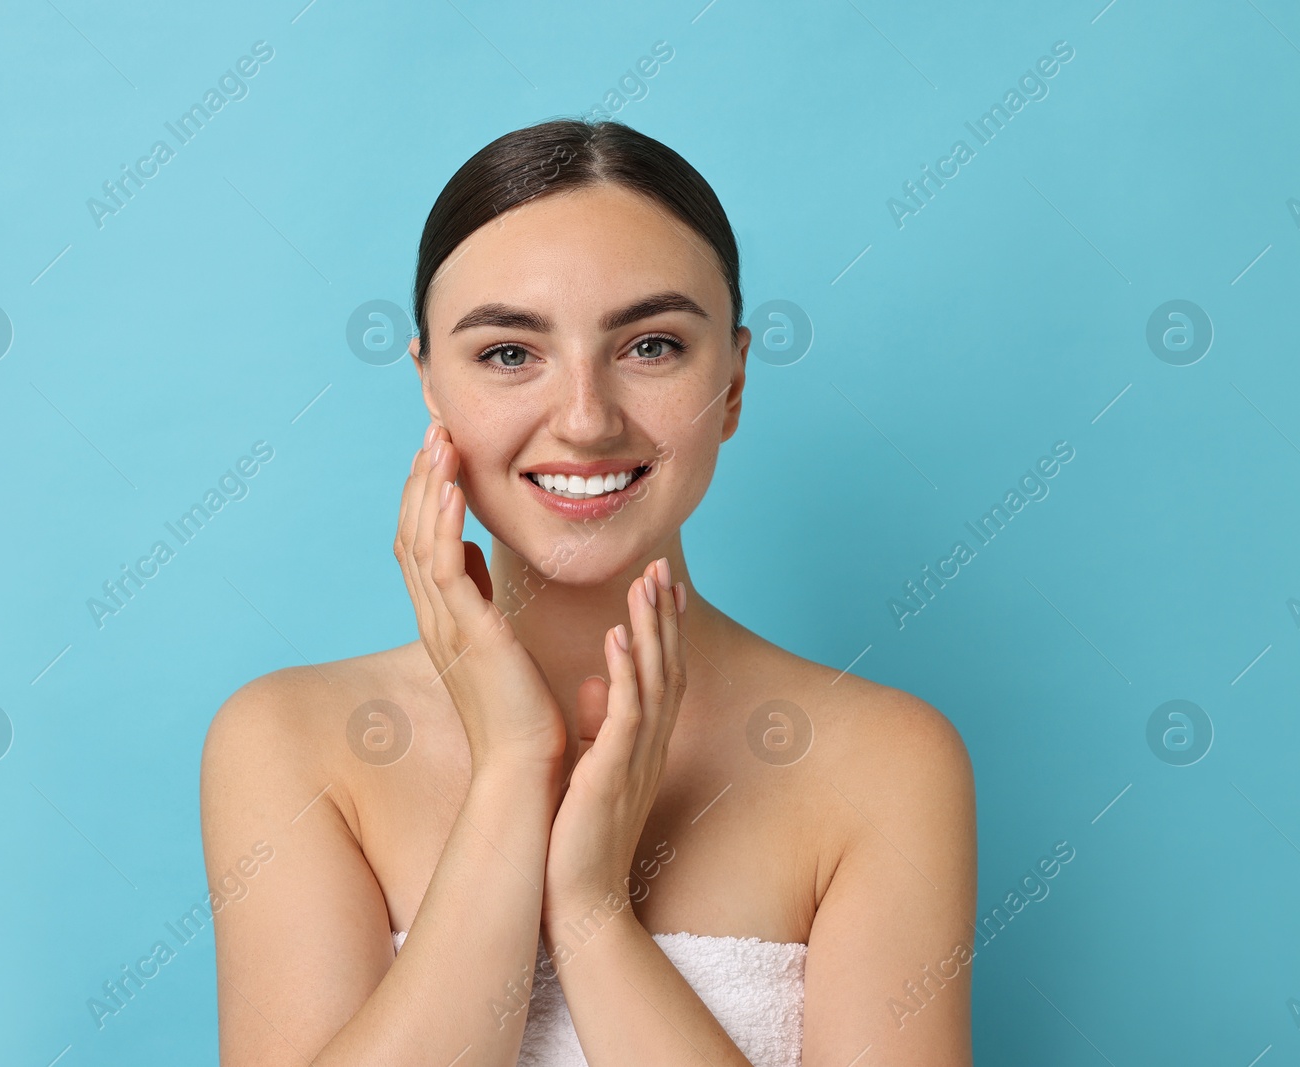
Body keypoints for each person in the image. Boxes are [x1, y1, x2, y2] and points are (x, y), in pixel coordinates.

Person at [201, 118, 977, 1066]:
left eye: (650, 346)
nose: (584, 418)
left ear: (732, 382)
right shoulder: (289, 741)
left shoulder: (887, 762)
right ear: (430, 387)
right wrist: (512, 771)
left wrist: (595, 915)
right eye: (508, 354)